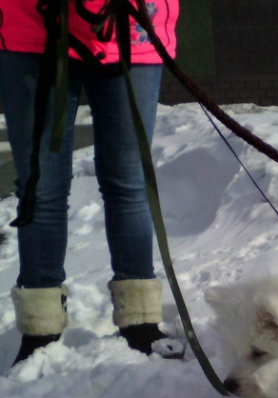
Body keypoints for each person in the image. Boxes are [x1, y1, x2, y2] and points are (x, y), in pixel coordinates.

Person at [0, 0, 181, 365]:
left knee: (130, 183)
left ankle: (140, 319)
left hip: (133, 23)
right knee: (41, 188)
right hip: (33, 25)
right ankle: (40, 326)